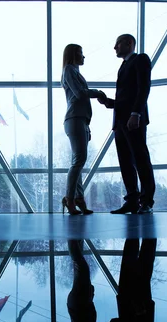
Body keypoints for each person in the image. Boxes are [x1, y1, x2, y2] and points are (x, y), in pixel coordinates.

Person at [98, 34, 156, 214]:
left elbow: (143, 88)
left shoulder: (140, 59)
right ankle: (132, 200)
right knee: (125, 162)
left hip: (132, 119)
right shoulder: (123, 66)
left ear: (129, 43)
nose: (115, 48)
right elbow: (125, 97)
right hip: (121, 121)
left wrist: (136, 113)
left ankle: (146, 201)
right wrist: (108, 102)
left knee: (140, 159)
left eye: (118, 44)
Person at [61, 44, 106, 215]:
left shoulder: (74, 71)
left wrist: (86, 124)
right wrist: (98, 93)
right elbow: (80, 94)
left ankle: (78, 198)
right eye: (80, 53)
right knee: (78, 161)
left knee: (78, 162)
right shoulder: (69, 70)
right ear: (73, 55)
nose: (84, 56)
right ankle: (70, 199)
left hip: (81, 121)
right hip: (75, 119)